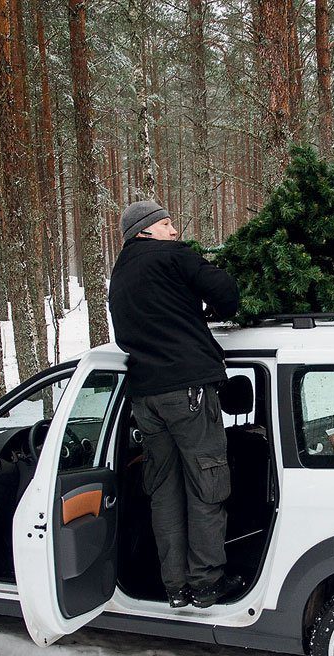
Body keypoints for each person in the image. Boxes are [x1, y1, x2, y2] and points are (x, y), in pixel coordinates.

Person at [108, 200, 242, 610]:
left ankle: (175, 587)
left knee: (164, 490)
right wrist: (215, 311)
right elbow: (227, 292)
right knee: (207, 484)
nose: (173, 230)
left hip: (145, 398)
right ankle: (206, 583)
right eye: (166, 224)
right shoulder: (173, 256)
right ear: (144, 231)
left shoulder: (119, 275)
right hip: (188, 391)